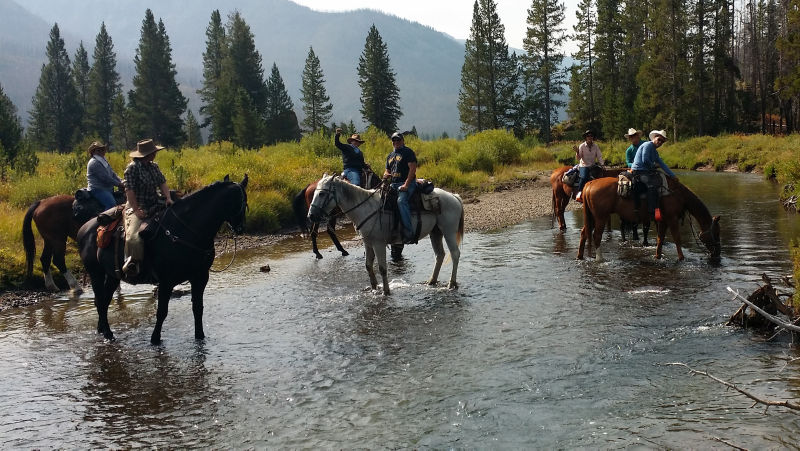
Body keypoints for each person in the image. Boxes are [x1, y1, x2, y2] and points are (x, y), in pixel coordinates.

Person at [122, 138, 174, 277]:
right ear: (147, 154)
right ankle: (133, 263)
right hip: (139, 206)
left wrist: (168, 197)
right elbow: (130, 191)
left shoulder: (154, 166)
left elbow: (162, 183)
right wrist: (136, 210)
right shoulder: (132, 169)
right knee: (134, 237)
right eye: (153, 152)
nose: (155, 154)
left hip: (156, 203)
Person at [631, 129, 677, 218]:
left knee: (659, 180)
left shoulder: (655, 152)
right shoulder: (648, 145)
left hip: (646, 171)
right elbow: (645, 160)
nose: (660, 142)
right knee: (652, 186)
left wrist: (673, 175)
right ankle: (652, 212)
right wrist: (654, 165)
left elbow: (662, 164)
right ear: (654, 138)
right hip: (639, 171)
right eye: (659, 140)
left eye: (662, 141)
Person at [383, 131, 417, 244]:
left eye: (398, 140)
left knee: (401, 201)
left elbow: (412, 168)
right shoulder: (390, 156)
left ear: (403, 141)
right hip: (393, 184)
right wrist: (385, 175)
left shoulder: (408, 152)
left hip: (407, 183)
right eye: (394, 140)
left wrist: (406, 184)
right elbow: (387, 170)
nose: (396, 142)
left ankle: (409, 233)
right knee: (381, 200)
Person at [86, 141, 124, 210]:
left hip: (107, 188)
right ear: (94, 152)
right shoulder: (94, 162)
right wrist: (119, 184)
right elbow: (105, 178)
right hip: (98, 189)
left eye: (103, 149)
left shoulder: (103, 160)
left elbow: (112, 173)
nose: (102, 151)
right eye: (99, 150)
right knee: (111, 205)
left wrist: (121, 180)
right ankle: (104, 219)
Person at [576, 130, 604, 198]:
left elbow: (599, 156)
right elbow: (578, 158)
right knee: (584, 177)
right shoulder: (582, 146)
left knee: (601, 176)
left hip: (593, 165)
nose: (590, 137)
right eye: (588, 136)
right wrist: (577, 152)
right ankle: (579, 192)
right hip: (584, 165)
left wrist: (602, 165)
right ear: (586, 137)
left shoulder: (596, 146)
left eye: (591, 136)